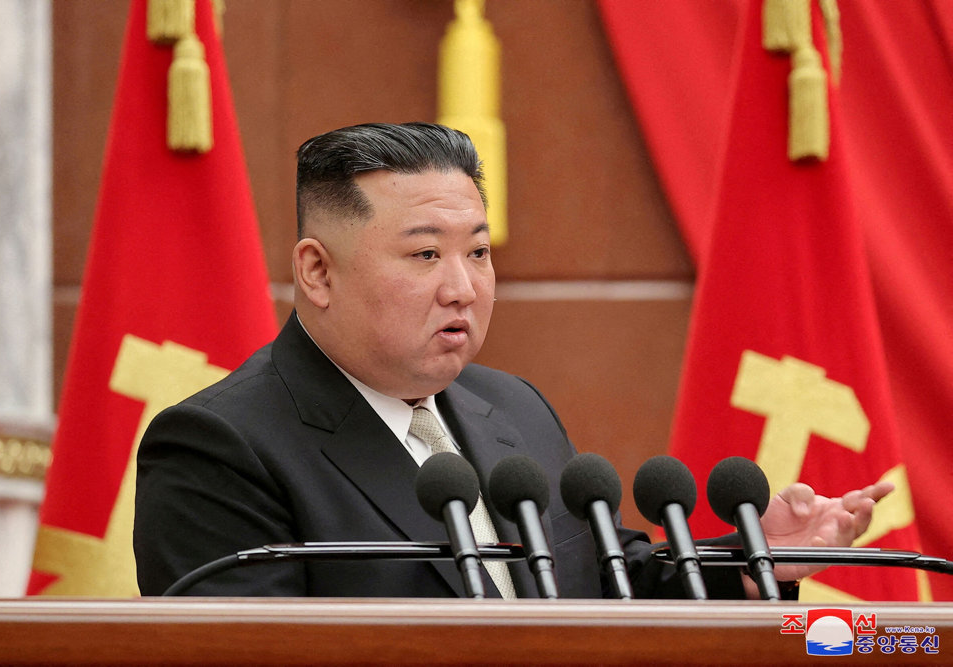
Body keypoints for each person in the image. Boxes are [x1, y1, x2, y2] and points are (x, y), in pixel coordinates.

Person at [134, 122, 890, 598]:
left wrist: (761, 558)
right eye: (426, 254)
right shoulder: (221, 446)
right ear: (318, 272)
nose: (463, 287)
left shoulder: (514, 409)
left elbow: (615, 580)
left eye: (479, 253)